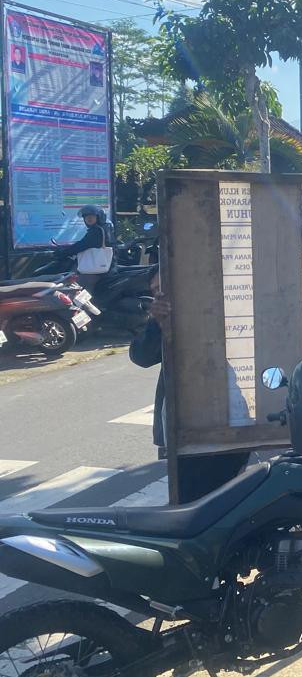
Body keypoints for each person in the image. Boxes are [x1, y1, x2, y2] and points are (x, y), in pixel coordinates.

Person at [130, 275, 250, 502]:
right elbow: (141, 356)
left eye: (162, 288)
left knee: (230, 497)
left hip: (228, 419)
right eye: (154, 291)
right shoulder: (160, 322)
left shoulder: (209, 309)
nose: (159, 295)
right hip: (183, 430)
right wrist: (157, 323)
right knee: (189, 500)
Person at [55, 204, 115, 290]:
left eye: (92, 216)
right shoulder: (105, 228)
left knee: (77, 288)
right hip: (107, 267)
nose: (88, 218)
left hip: (99, 270)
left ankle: (84, 303)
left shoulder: (97, 231)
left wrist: (62, 253)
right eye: (86, 217)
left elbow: (82, 245)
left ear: (99, 217)